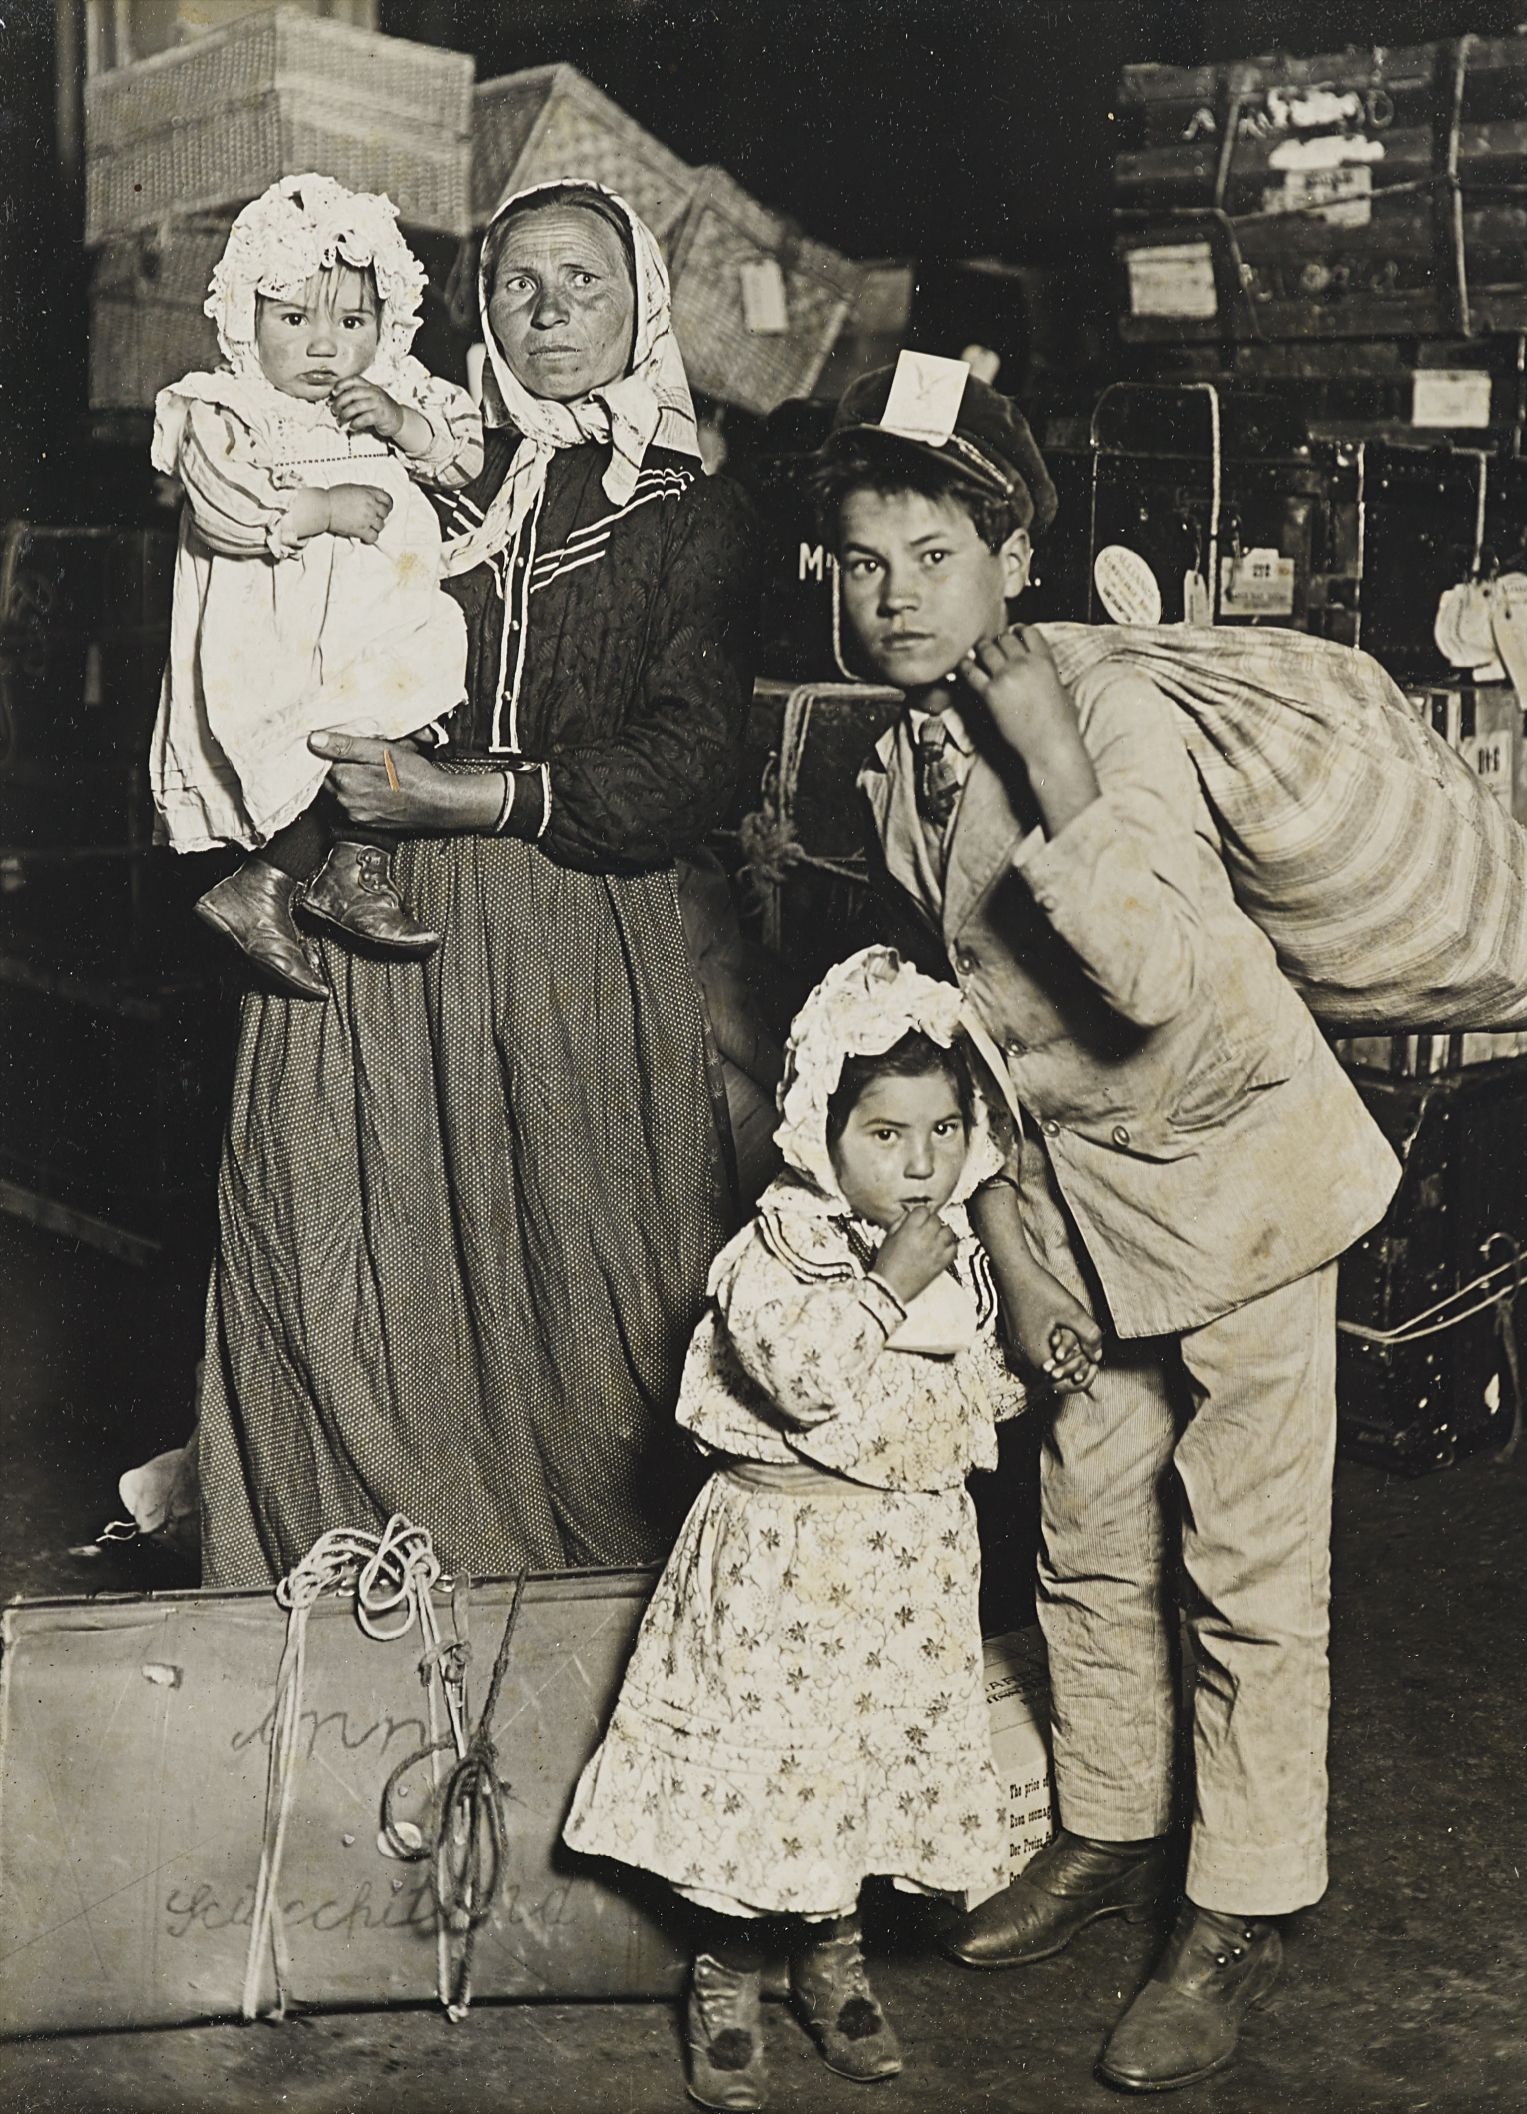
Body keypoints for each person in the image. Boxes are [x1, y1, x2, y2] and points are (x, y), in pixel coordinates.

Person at [810, 358, 1403, 2092]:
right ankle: (1113, 1819)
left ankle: (1239, 1902)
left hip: (1238, 1181)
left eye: (932, 550)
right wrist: (1005, 1241)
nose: (896, 592)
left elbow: (1144, 969)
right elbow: (966, 1036)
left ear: (1013, 550)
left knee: (1248, 1563)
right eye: (861, 560)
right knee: (1079, 1526)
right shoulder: (893, 759)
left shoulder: (1113, 705)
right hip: (1071, 1205)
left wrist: (1053, 750)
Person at [196, 179, 759, 1587]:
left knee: (589, 1289)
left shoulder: (694, 513)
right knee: (341, 1256)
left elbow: (691, 765)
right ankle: (356, 1596)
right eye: (517, 283)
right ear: (480, 314)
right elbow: (245, 455)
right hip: (366, 918)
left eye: (585, 278)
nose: (552, 307)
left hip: (567, 924)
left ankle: (580, 1625)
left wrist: (465, 791)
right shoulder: (425, 468)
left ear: (644, 304)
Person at [565, 945, 1062, 2111]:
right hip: (784, 1567)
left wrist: (1032, 1363)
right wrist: (884, 1285)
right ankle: (730, 1969)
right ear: (819, 1129)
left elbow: (964, 1396)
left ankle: (830, 1955)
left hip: (900, 1570)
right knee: (772, 1771)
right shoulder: (775, 1251)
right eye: (884, 1135)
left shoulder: (958, 1256)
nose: (919, 1163)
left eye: (941, 1131)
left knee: (856, 1767)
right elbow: (803, 1378)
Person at [151, 174, 484, 995]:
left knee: (403, 714)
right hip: (281, 626)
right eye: (294, 320)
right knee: (311, 746)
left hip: (381, 617)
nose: (325, 347)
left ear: (388, 324)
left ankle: (342, 872)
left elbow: (470, 459)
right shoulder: (227, 407)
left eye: (352, 321)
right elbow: (223, 508)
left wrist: (404, 425)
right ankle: (267, 879)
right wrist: (319, 507)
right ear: (246, 319)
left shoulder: (393, 390)